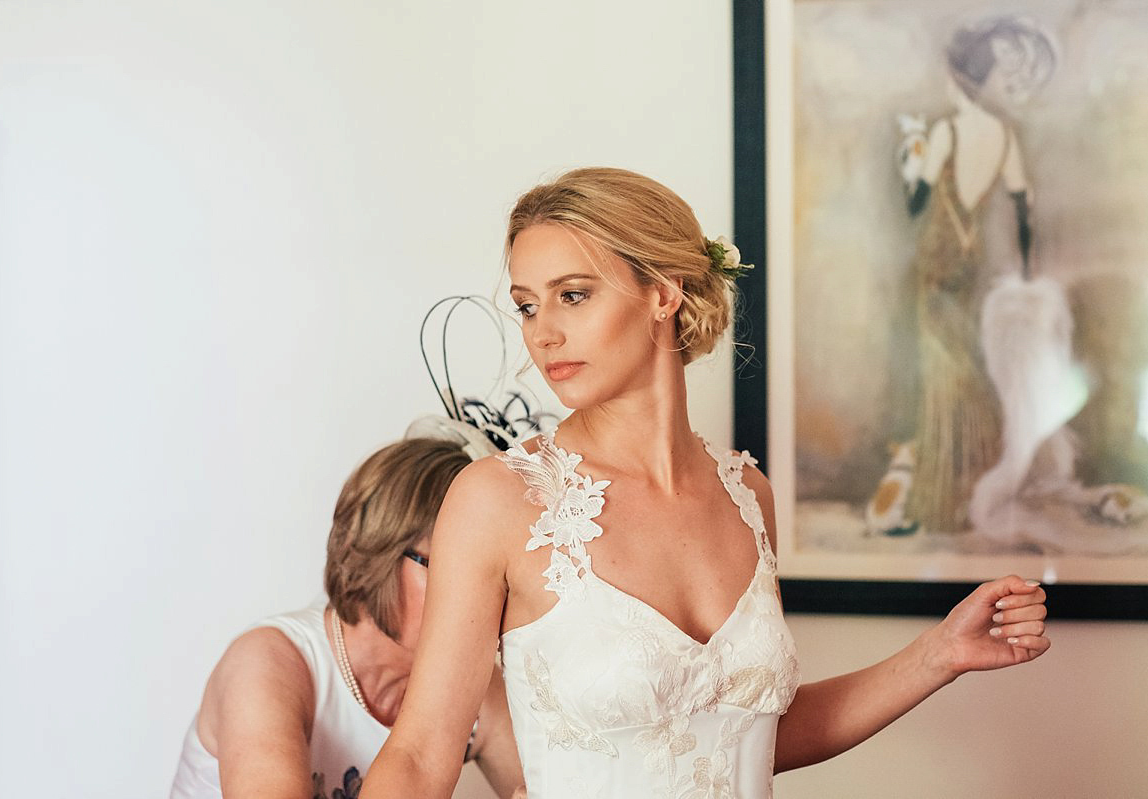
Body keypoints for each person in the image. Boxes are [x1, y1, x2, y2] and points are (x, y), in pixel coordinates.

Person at [361, 167, 1050, 798]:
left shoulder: (749, 493)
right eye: (527, 305)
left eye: (572, 295)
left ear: (663, 292)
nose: (543, 332)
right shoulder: (500, 499)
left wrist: (938, 654)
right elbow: (422, 755)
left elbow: (753, 734)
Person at [170, 438, 525, 799]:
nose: (481, 590)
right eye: (446, 565)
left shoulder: (478, 686)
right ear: (379, 549)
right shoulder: (265, 665)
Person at [901, 17, 1057, 532]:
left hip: (937, 261)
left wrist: (912, 162)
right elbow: (1022, 206)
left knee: (941, 371)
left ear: (958, 79)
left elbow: (917, 201)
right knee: (962, 359)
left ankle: (944, 498)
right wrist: (1030, 268)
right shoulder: (1004, 136)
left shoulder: (945, 131)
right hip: (970, 265)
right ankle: (969, 486)